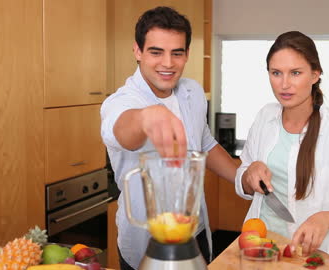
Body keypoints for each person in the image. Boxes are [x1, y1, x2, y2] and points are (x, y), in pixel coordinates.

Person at [100, 6, 237, 270]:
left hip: (194, 232)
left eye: (177, 53)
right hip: (146, 243)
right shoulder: (123, 100)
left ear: (186, 54)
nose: (167, 63)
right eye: (155, 52)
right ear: (137, 51)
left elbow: (205, 143)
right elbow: (119, 129)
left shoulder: (193, 91)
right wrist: (145, 118)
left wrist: (242, 178)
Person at [235, 31, 329, 264]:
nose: (284, 84)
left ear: (315, 74)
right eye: (276, 73)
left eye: (295, 73)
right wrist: (249, 173)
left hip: (309, 259)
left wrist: (326, 219)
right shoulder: (265, 117)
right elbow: (243, 179)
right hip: (260, 251)